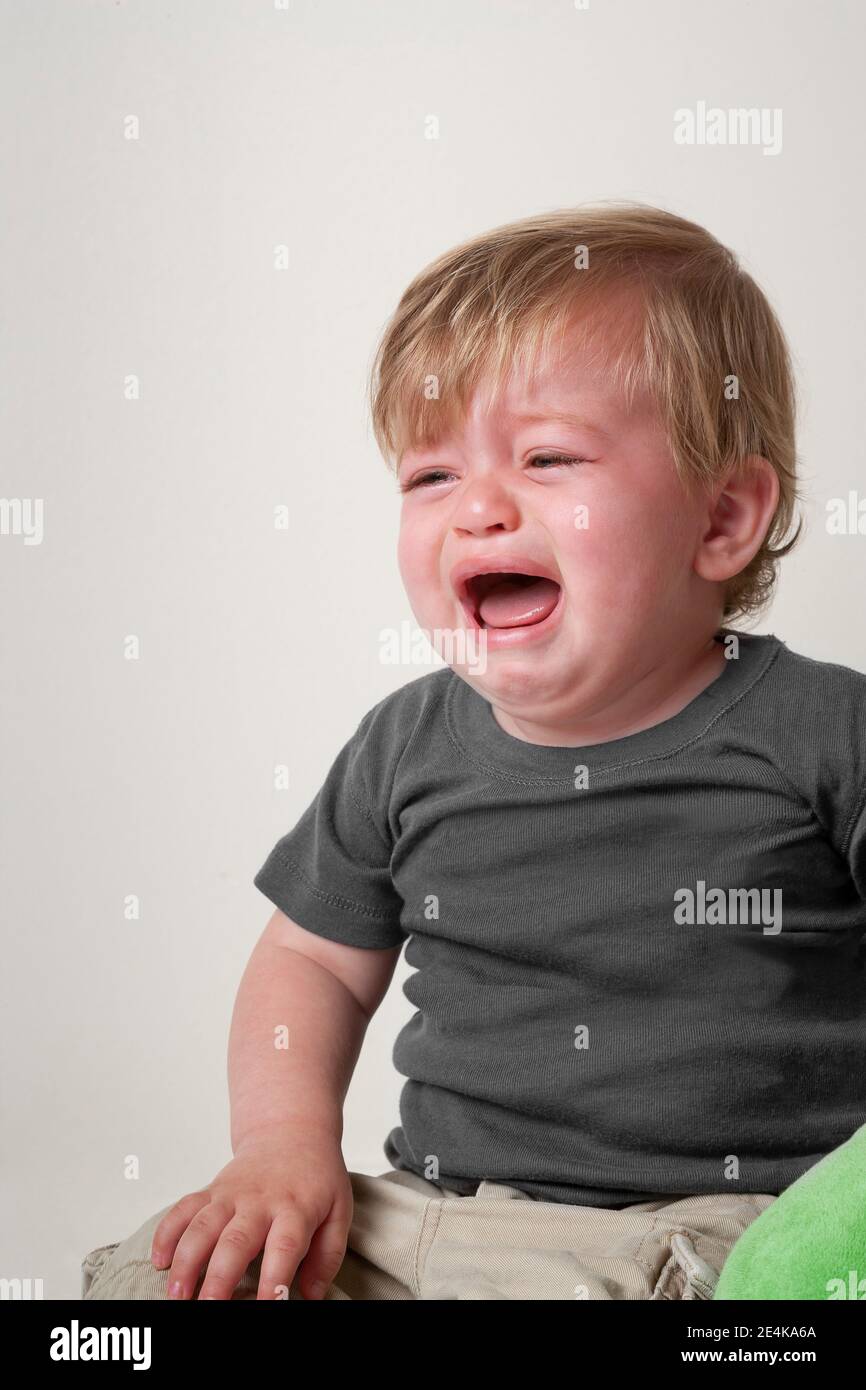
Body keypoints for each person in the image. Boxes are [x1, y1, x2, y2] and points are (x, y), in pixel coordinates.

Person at [81, 203, 866, 1300]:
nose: (476, 511)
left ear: (721, 518)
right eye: (429, 477)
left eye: (547, 457)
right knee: (152, 1283)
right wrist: (279, 1148)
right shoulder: (406, 745)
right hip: (439, 1223)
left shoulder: (819, 730)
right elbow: (308, 962)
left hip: (710, 1240)